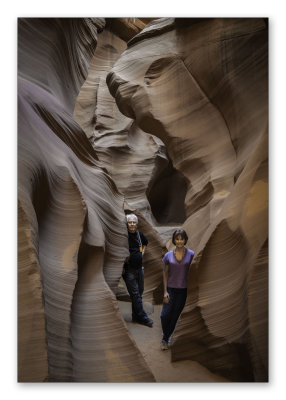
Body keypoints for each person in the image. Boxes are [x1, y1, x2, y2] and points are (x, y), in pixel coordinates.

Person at [160, 229, 195, 350]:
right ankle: (165, 335)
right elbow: (165, 273)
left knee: (175, 315)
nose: (179, 241)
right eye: (177, 239)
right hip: (170, 289)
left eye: (181, 239)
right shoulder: (168, 255)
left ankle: (166, 338)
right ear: (174, 240)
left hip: (183, 290)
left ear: (185, 240)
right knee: (164, 315)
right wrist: (165, 291)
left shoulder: (191, 254)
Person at [122, 214, 153, 327]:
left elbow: (145, 243)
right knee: (135, 295)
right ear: (127, 224)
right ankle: (144, 318)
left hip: (140, 269)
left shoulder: (139, 235)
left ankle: (136, 316)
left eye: (134, 222)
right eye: (130, 222)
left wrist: (142, 253)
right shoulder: (124, 236)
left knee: (139, 293)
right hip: (129, 270)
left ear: (136, 223)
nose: (132, 224)